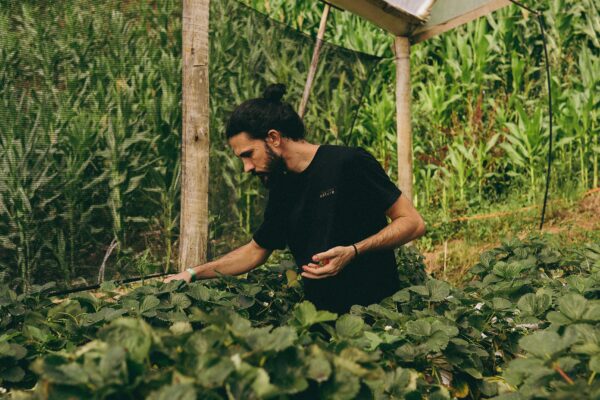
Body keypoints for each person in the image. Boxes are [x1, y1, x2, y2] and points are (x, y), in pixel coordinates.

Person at [164, 83, 426, 314]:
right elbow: (256, 251)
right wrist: (192, 273)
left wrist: (353, 251)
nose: (247, 168)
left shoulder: (348, 162)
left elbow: (413, 222)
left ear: (274, 138)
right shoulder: (281, 185)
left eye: (248, 154)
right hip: (320, 322)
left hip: (377, 317)